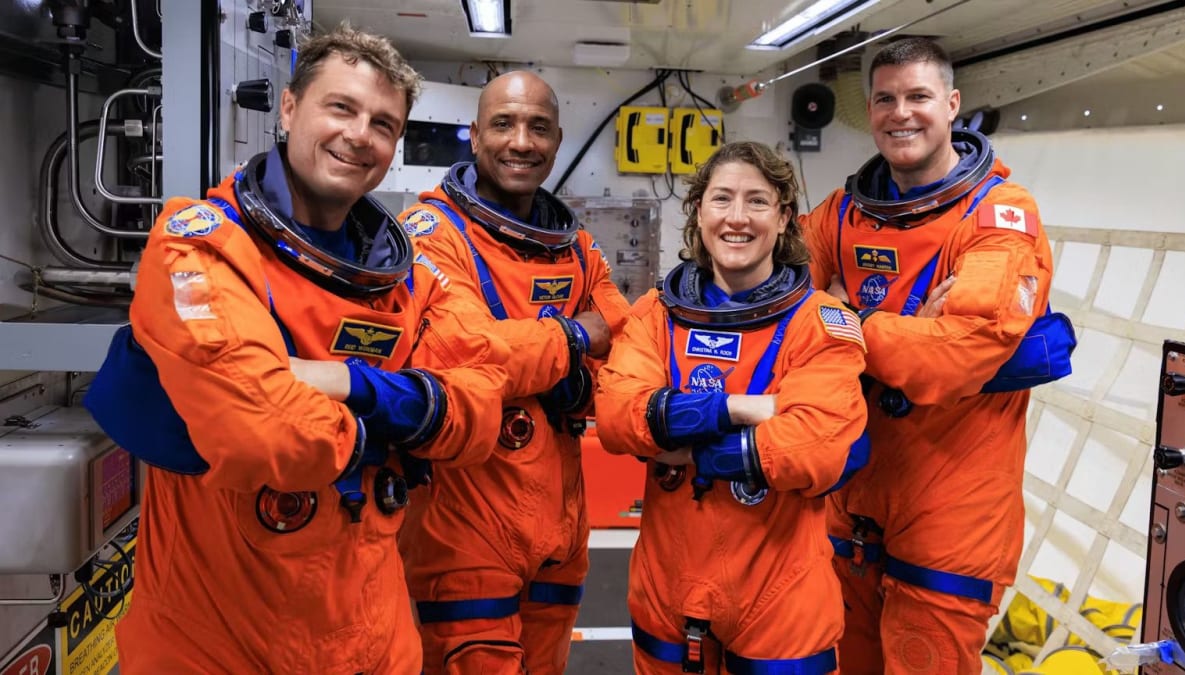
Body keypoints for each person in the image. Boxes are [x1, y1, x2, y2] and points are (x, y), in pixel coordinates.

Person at [84, 25, 509, 674]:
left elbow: (480, 411)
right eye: (340, 107)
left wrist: (347, 383)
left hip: (371, 636)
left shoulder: (411, 278)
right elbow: (267, 434)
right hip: (217, 643)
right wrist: (406, 419)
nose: (359, 134)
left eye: (383, 123)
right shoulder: (200, 244)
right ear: (289, 108)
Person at [799, 37, 1062, 675]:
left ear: (951, 104)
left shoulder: (999, 216)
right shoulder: (839, 215)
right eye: (885, 99)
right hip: (852, 492)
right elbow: (780, 321)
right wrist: (906, 330)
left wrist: (847, 319)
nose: (901, 113)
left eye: (918, 97)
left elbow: (957, 356)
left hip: (953, 501)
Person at [595, 141, 870, 674]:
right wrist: (746, 410)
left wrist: (683, 443)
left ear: (784, 216)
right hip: (667, 582)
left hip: (781, 590)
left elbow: (817, 448)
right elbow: (615, 416)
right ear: (699, 212)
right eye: (721, 199)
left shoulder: (821, 321)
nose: (737, 219)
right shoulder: (657, 314)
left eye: (757, 201)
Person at [393, 70, 631, 674]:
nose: (520, 141)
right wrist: (574, 337)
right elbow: (462, 353)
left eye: (538, 127)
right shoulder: (433, 232)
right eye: (503, 124)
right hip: (463, 519)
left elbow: (629, 350)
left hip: (559, 520)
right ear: (474, 136)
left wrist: (563, 375)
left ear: (556, 141)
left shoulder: (574, 245)